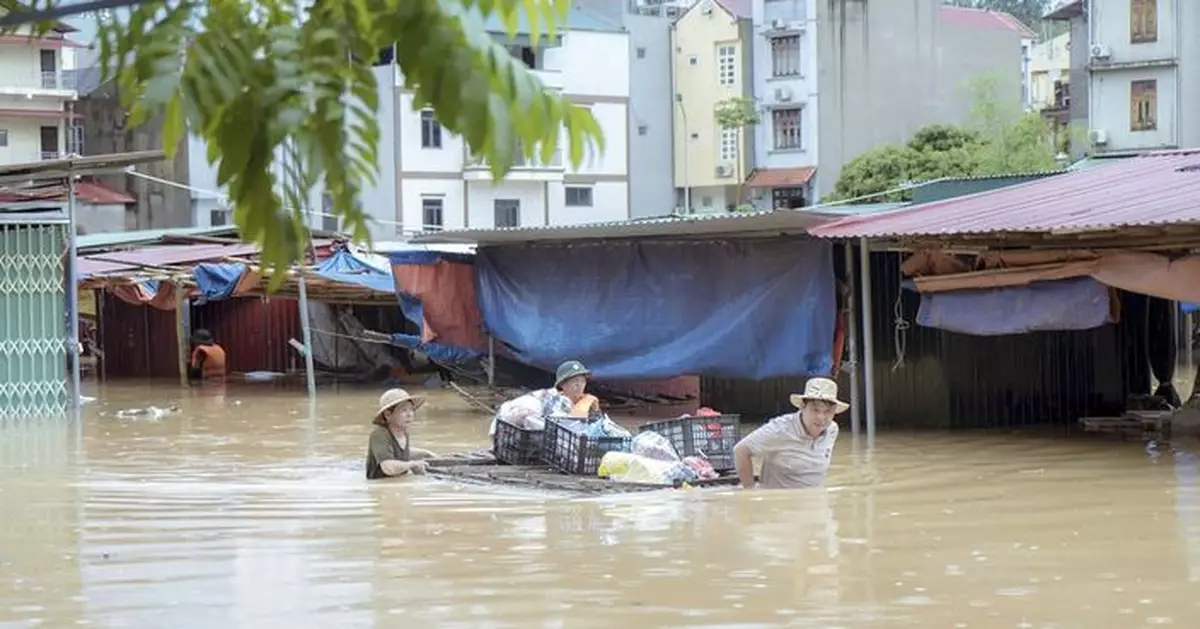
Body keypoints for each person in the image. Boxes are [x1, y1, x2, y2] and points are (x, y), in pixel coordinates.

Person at [733, 377, 847, 489]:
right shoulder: (780, 429)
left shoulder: (832, 430)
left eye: (828, 412)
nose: (821, 418)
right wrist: (750, 490)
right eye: (815, 410)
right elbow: (740, 450)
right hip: (779, 504)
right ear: (802, 407)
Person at [366, 388, 440, 480]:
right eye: (404, 410)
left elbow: (400, 453)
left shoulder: (403, 432)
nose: (410, 414)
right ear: (388, 414)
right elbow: (388, 468)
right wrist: (412, 464)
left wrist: (426, 454)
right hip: (382, 486)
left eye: (411, 409)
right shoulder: (380, 434)